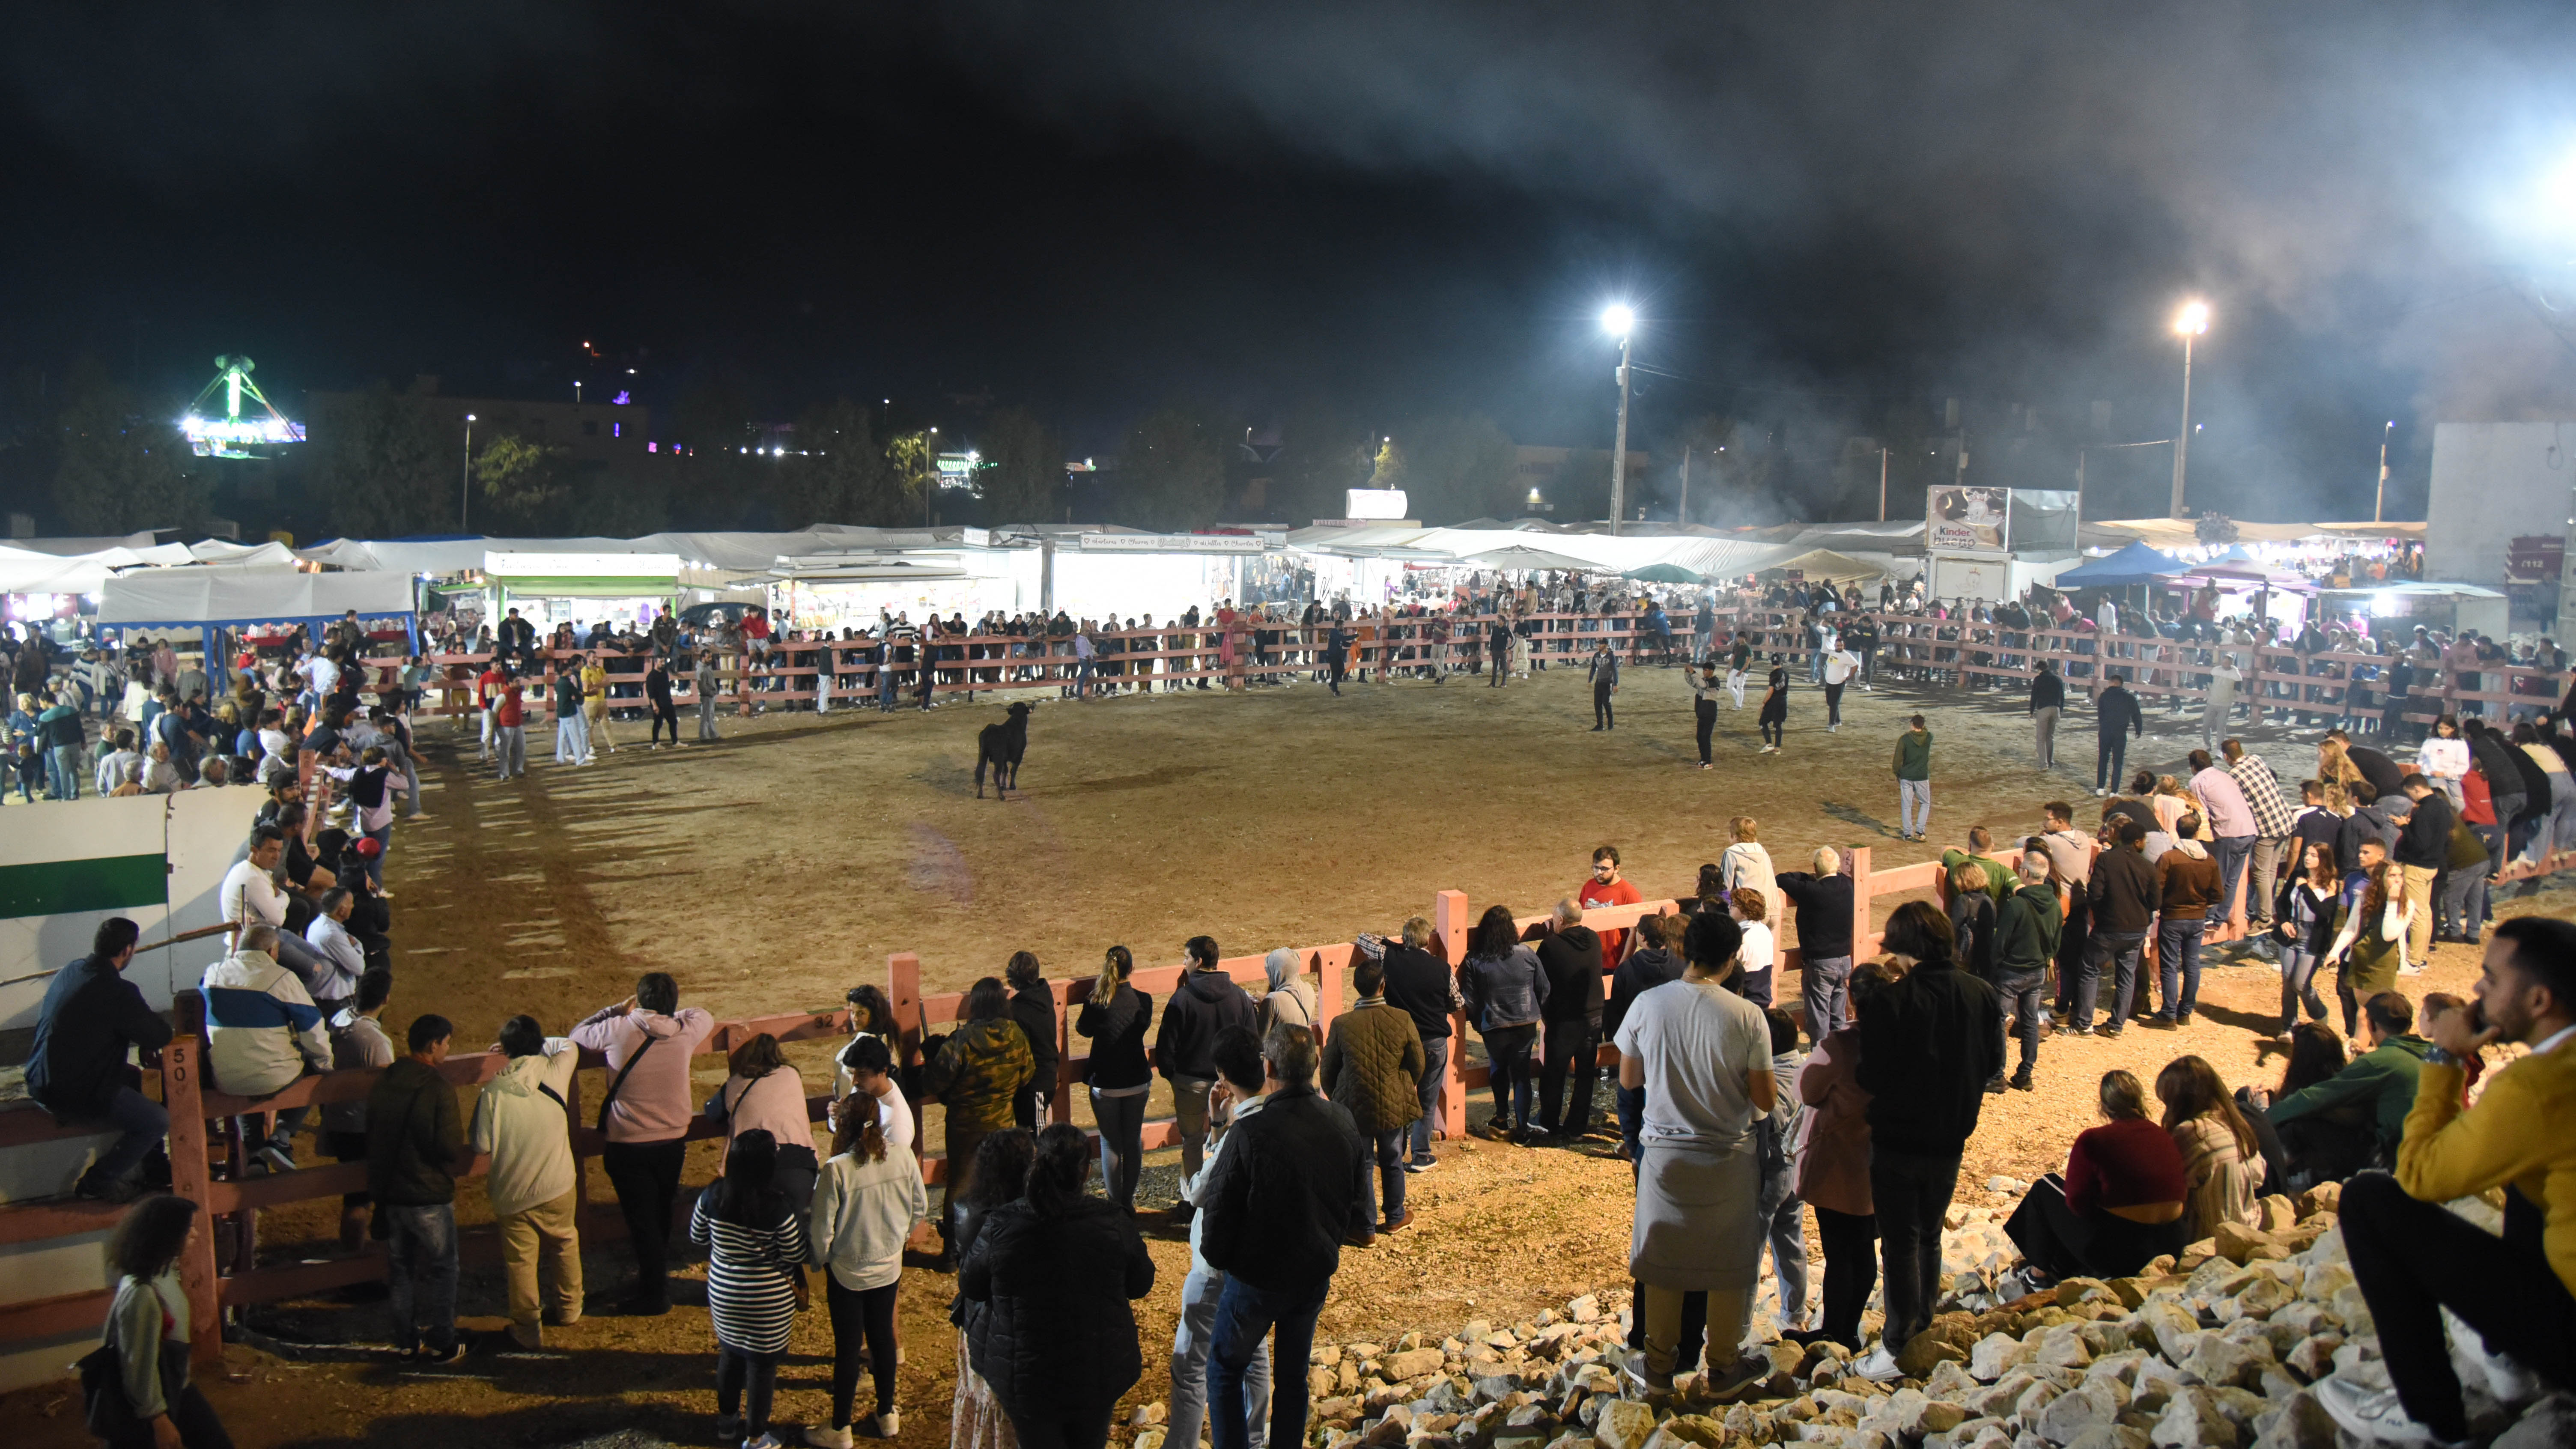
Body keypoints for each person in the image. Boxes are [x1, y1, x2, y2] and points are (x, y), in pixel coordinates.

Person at [2316, 917, 2576, 1446]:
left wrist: (2444, 1056)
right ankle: (2506, 1354)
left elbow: (2417, 1177)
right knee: (2527, 1175)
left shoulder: (2535, 1087)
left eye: (2492, 980)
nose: (2476, 990)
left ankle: (2432, 1422)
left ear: (2539, 1000)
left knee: (2370, 1200)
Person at [1611, 909, 1777, 1395]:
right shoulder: (1746, 1016)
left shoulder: (1649, 1003)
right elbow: (1765, 1099)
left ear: (1685, 950)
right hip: (1729, 1154)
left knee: (1664, 1258)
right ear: (1732, 958)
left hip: (1665, 1153)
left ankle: (1659, 1366)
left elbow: (1629, 1080)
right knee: (1727, 1262)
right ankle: (1725, 1366)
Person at [1852, 900, 2001, 1379]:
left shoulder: (1893, 1002)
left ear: (1904, 949)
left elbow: (1871, 1075)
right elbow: (1995, 1061)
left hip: (1897, 1139)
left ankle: (1899, 1341)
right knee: (1929, 1235)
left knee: (1899, 1243)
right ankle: (1925, 1320)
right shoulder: (1981, 992)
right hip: (1951, 1136)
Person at [1199, 1024, 1362, 1449]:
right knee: (1293, 1376)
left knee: (1224, 1366)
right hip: (1313, 1272)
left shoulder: (1250, 1133)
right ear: (1315, 1065)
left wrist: (1223, 1259)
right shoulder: (1342, 1120)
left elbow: (1217, 1218)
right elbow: (1361, 1213)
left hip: (1256, 1277)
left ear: (1268, 1067)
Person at [572, 972, 719, 1315]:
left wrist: (615, 1011)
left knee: (642, 1219)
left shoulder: (618, 1028)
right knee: (662, 1209)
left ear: (639, 1000)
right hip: (671, 1139)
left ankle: (654, 1291)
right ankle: (656, 1280)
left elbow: (578, 1035)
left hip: (629, 1143)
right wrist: (675, 1015)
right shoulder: (684, 1032)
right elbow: (704, 1015)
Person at [1169, 1027, 1275, 1449]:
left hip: (1215, 1267)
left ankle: (1182, 1444)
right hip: (1257, 1262)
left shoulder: (1241, 1134)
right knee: (1255, 1354)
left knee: (1192, 1363)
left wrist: (1214, 1134)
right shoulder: (1274, 1119)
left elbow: (1198, 1191)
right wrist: (1217, 1126)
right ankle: (1255, 1439)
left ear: (1223, 1078)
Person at [807, 1092, 927, 1448]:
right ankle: (887, 1412)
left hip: (848, 1269)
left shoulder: (837, 1169)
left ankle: (840, 1426)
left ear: (843, 1125)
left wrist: (823, 1257)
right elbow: (919, 1206)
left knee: (847, 1347)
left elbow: (821, 1227)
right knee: (883, 1340)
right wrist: (898, 1238)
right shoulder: (903, 1157)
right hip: (888, 1265)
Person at [1785, 958, 1893, 1351]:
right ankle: (1848, 1325)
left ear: (1852, 999)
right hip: (1882, 1159)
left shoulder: (1842, 1044)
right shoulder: (1902, 1041)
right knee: (1864, 1247)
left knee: (1840, 1252)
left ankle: (1836, 1330)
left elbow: (1807, 1090)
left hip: (1839, 1164)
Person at [27, 918, 173, 1202]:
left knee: (138, 1081)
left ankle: (155, 1167)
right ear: (128, 950)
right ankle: (95, 1185)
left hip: (39, 1080)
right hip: (76, 1091)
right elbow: (159, 1035)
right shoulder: (118, 991)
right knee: (156, 1121)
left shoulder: (71, 971)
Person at [2003, 1069, 2189, 1280]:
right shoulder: (2162, 1135)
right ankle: (2062, 1266)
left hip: (2123, 1254)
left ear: (2104, 1107)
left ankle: (2039, 1274)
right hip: (2172, 1244)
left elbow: (2077, 1204)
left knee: (2045, 1188)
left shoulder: (2094, 1140)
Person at [688, 1129, 810, 1449]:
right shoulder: (777, 1207)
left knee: (730, 1354)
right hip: (768, 1299)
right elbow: (795, 1254)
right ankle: (756, 1437)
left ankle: (726, 1424)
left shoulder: (713, 1195)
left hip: (725, 1292)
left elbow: (698, 1237)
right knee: (762, 1367)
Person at [470, 1014, 584, 1349]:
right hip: (559, 1182)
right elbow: (568, 1044)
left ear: (506, 1050)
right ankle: (570, 1309)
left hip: (514, 1192)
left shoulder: (492, 1093)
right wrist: (535, 1044)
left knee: (521, 1262)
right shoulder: (556, 1070)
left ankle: (528, 1329)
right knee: (565, 1242)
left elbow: (481, 1145)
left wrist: (513, 1049)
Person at [2246, 991, 2430, 1186]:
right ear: (2409, 1026)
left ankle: (2275, 1181)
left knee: (2304, 1125)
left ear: (2372, 1025)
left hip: (2393, 1161)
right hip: (2428, 1154)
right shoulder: (2430, 1053)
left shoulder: (2381, 1062)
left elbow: (2314, 1097)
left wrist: (2263, 1119)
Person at [94, 1193, 231, 1449]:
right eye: (188, 1228)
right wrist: (158, 1419)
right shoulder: (142, 1294)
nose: (195, 1234)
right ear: (167, 1235)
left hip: (176, 1388)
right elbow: (138, 1366)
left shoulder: (161, 1275)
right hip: (156, 1402)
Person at [368, 1013, 465, 1362]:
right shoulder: (437, 1087)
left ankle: (406, 1341)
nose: (448, 1049)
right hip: (428, 1195)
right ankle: (443, 1338)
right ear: (434, 1044)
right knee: (444, 1267)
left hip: (391, 1193)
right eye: (447, 1043)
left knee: (400, 1270)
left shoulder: (385, 1081)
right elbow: (450, 1147)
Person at [203, 922, 331, 1176]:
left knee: (243, 1068)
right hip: (273, 1077)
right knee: (313, 1066)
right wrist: (325, 1064)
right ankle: (281, 1137)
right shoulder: (281, 978)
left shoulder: (212, 974)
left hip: (225, 1079)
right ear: (273, 950)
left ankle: (254, 1154)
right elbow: (313, 1028)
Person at [925, 978, 1037, 1252]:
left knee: (959, 1184)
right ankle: (999, 1240)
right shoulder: (1016, 1035)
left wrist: (932, 1054)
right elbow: (1027, 1076)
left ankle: (952, 1250)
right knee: (1001, 1182)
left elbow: (936, 1082)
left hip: (965, 1124)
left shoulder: (961, 1041)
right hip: (1001, 1122)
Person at [1320, 955, 1426, 1241]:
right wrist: (1403, 1085)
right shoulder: (1401, 1018)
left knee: (1363, 1164)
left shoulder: (1342, 1024)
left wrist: (1338, 1097)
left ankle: (1365, 1228)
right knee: (1393, 1158)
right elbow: (1418, 1062)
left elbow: (1328, 1070)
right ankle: (1395, 1216)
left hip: (1355, 1105)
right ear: (1383, 986)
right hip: (1392, 1102)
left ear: (1356, 987)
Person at [1156, 936, 1257, 1219]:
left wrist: (1174, 1076)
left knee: (1191, 1141)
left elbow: (1166, 1049)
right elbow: (1252, 1042)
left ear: (1198, 962)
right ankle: (1225, 1197)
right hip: (1230, 1085)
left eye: (1186, 957)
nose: (1183, 963)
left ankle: (1191, 1203)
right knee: (1227, 1140)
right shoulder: (1238, 996)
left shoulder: (1182, 998)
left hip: (1190, 1082)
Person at [948, 1130, 1037, 1449]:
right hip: (1009, 1324)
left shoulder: (965, 1208)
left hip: (977, 1318)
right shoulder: (1023, 1218)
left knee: (984, 1399)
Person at [1457, 905, 1548, 1142]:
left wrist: (1479, 1024)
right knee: (1521, 1075)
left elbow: (1471, 1000)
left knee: (1498, 1070)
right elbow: (1543, 989)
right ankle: (1522, 1130)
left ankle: (1501, 1117)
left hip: (1494, 1025)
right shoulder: (1527, 953)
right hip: (1525, 1024)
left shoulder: (1475, 960)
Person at [1377, 917, 1462, 1171]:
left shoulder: (1390, 959)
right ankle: (1421, 1155)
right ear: (1428, 940)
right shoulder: (1442, 968)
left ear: (1405, 939)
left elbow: (1364, 939)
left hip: (1401, 1040)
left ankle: (1395, 1152)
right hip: (1433, 1041)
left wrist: (1393, 947)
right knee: (1427, 1098)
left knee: (1399, 1096)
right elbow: (1458, 1003)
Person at [1075, 945, 1153, 1212]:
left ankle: (1114, 1204)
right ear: (1132, 969)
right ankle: (1128, 1203)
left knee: (1110, 1141)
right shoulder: (1144, 1000)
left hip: (1106, 1083)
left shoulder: (1096, 1001)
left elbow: (1083, 1031)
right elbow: (1142, 1026)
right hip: (1136, 1079)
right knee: (1132, 1141)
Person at [1605, 912, 1687, 1163]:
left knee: (1633, 1092)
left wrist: (1616, 1041)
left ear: (1641, 937)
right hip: (1673, 1041)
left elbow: (1616, 1011)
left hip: (1639, 1042)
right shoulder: (1680, 965)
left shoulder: (1628, 970)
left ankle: (1636, 1145)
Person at [2157, 1055, 2260, 1240]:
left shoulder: (2191, 1132)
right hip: (2249, 1228)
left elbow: (2168, 1191)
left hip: (2209, 1239)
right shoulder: (2235, 1123)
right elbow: (2259, 1176)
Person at [713, 1033, 820, 1210]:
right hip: (799, 1165)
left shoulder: (735, 1081)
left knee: (755, 1225)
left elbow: (713, 1113)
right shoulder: (792, 1074)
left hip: (752, 1167)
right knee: (792, 1228)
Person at [1752, 1007, 1810, 1334]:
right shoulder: (1804, 1068)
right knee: (1791, 1243)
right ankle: (1795, 1315)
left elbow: (1768, 1118)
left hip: (1772, 1171)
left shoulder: (1773, 1078)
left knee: (1751, 1252)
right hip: (1798, 1168)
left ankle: (1740, 1325)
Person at [2074, 821, 2156, 1036]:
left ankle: (2084, 1024)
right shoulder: (2148, 866)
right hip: (2137, 929)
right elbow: (2156, 902)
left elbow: (2095, 894)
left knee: (2090, 970)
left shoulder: (2107, 859)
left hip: (2109, 927)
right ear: (2138, 842)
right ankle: (2116, 1026)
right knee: (2126, 975)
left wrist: (2102, 914)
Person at [1532, 898, 1605, 1140]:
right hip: (1593, 1016)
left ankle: (1550, 1123)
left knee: (1554, 1073)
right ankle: (1576, 1127)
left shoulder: (1551, 946)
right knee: (1585, 1074)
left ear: (1560, 921)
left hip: (1565, 1021)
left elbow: (1541, 982)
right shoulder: (1594, 939)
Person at [2223, 738, 2299, 960]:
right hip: (2285, 822)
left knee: (2260, 873)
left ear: (2227, 757)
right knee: (2270, 872)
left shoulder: (2233, 776)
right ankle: (2266, 912)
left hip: (2267, 828)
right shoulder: (2257, 760)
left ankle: (2265, 917)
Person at [1990, 851, 2060, 1092]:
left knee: (2001, 1021)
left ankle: (1998, 1075)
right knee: (2030, 1021)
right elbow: (2056, 941)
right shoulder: (2055, 903)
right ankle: (2025, 1074)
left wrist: (1996, 965)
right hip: (2037, 971)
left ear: (2026, 874)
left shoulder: (2017, 904)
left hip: (2011, 972)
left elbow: (2000, 943)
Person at [2143, 812, 2218, 1029]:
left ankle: (2169, 1014)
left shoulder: (2169, 858)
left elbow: (2156, 890)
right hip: (2197, 919)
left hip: (2173, 917)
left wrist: (2160, 906)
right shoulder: (2209, 860)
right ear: (2197, 833)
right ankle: (2185, 1012)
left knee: (2169, 966)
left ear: (2177, 831)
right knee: (2192, 964)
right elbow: (2217, 894)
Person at [2326, 856, 2411, 1038]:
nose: (2397, 880)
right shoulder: (2366, 898)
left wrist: (2392, 902)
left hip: (2383, 964)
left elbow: (2389, 934)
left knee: (2367, 1015)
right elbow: (2351, 928)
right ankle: (2361, 1049)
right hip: (2362, 959)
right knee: (2363, 1015)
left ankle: (2359, 1055)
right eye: (2392, 875)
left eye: (2400, 875)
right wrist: (2335, 952)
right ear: (2381, 878)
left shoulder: (2406, 905)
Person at [1778, 848, 1855, 1041]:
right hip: (1845, 961)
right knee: (1838, 1016)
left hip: (1820, 964)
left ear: (1815, 868)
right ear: (1837, 866)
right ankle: (1841, 1059)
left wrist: (1807, 877)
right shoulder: (1848, 885)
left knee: (1819, 1017)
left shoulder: (1810, 891)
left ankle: (1819, 1060)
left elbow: (1782, 878)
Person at [2271, 841, 2343, 1041]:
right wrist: (2284, 921)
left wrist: (2305, 889)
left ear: (2323, 860)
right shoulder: (2297, 876)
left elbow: (2324, 914)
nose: (2307, 858)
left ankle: (2319, 1014)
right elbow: (2281, 901)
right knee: (2288, 981)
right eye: (2307, 854)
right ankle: (2288, 1026)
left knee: (2301, 984)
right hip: (2291, 932)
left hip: (2313, 938)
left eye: (2313, 855)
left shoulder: (2331, 884)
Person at [2187, 748, 2258, 930]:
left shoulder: (2197, 782)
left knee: (2218, 877)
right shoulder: (2225, 776)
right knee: (2232, 879)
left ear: (2193, 767)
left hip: (2229, 832)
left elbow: (2202, 813)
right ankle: (2221, 917)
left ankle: (2210, 918)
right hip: (2249, 829)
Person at [2390, 772, 2451, 968]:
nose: (2411, 799)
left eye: (2411, 794)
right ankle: (2421, 955)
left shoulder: (2425, 811)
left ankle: (2415, 960)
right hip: (2433, 865)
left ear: (2417, 789)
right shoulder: (2442, 805)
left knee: (2416, 913)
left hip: (2417, 866)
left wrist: (2404, 827)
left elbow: (2420, 843)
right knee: (2425, 912)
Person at [1004, 952, 1061, 1130]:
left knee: (1038, 1138)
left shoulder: (1017, 1010)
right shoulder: (1045, 997)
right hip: (1045, 1077)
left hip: (1035, 1083)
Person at [2093, 671, 2144, 796]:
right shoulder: (2129, 697)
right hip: (2120, 732)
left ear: (2111, 683)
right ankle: (2114, 791)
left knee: (2103, 759)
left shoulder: (2104, 696)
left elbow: (2101, 715)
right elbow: (2137, 715)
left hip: (2105, 731)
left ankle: (2100, 788)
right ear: (2121, 684)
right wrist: (2139, 729)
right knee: (2118, 762)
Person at [1730, 888, 1778, 1006]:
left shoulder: (1740, 937)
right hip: (1764, 997)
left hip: (1745, 1002)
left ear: (1744, 911)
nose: (1730, 908)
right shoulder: (1764, 930)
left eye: (1733, 905)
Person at [1256, 947, 1316, 1035]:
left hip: (1281, 1048)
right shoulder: (1309, 989)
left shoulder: (1273, 1000)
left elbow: (1261, 1040)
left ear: (1277, 972)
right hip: (1304, 1047)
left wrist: (1262, 1007)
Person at [1892, 714, 1933, 841]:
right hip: (1921, 777)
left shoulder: (1904, 739)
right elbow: (1928, 733)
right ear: (1923, 725)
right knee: (1925, 803)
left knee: (1907, 805)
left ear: (1912, 724)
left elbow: (1897, 761)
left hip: (1906, 777)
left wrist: (1898, 774)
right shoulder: (1928, 738)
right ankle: (1920, 832)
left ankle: (1907, 833)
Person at [2029, 656, 2065, 768]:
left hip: (2044, 709)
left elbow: (2034, 696)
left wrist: (2031, 711)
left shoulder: (2038, 679)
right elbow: (2062, 697)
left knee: (2041, 738)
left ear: (2039, 669)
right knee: (2050, 737)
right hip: (2056, 709)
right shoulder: (2058, 679)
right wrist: (2061, 710)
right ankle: (2051, 761)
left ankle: (2043, 763)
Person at [1689, 659, 1722, 767]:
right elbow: (1693, 683)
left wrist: (1694, 673)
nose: (1704, 672)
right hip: (1702, 712)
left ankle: (1708, 761)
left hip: (1710, 712)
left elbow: (1703, 685)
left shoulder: (1715, 681)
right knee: (1700, 737)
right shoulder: (1704, 680)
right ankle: (1703, 759)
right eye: (1704, 670)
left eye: (1707, 670)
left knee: (1706, 737)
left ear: (1712, 671)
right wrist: (1687, 673)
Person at [644, 655, 682, 748]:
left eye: (664, 661)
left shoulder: (665, 673)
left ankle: (675, 742)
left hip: (667, 702)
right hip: (658, 704)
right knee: (658, 723)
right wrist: (655, 706)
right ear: (656, 663)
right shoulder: (651, 676)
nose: (663, 664)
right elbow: (651, 693)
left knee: (673, 722)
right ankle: (655, 743)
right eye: (661, 662)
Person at [1756, 654, 1789, 752]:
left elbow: (1771, 690)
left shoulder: (1774, 674)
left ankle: (1769, 744)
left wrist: (1764, 703)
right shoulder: (1786, 674)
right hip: (1783, 701)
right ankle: (1777, 747)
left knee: (1763, 722)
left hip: (1774, 702)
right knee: (1778, 725)